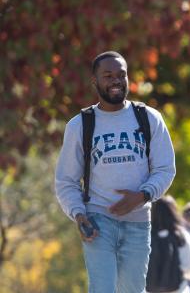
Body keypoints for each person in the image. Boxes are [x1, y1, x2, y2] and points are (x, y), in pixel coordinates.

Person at [54, 51, 176, 292]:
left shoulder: (149, 118)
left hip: (139, 220)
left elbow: (165, 169)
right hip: (97, 220)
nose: (116, 81)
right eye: (108, 75)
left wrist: (142, 196)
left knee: (133, 289)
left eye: (121, 75)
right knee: (103, 288)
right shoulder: (81, 125)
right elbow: (66, 181)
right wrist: (79, 215)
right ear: (95, 82)